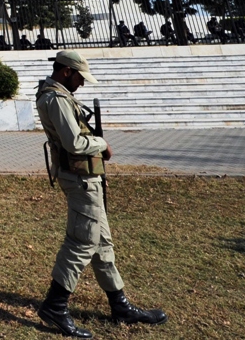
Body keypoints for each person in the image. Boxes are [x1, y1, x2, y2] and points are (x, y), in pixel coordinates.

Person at [36, 50, 167, 337]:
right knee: (81, 243)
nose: (82, 84)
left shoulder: (60, 95)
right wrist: (102, 144)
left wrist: (96, 172)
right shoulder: (56, 98)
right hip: (80, 180)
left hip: (86, 178)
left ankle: (120, 306)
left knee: (102, 244)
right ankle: (54, 307)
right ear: (67, 72)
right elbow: (73, 143)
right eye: (80, 77)